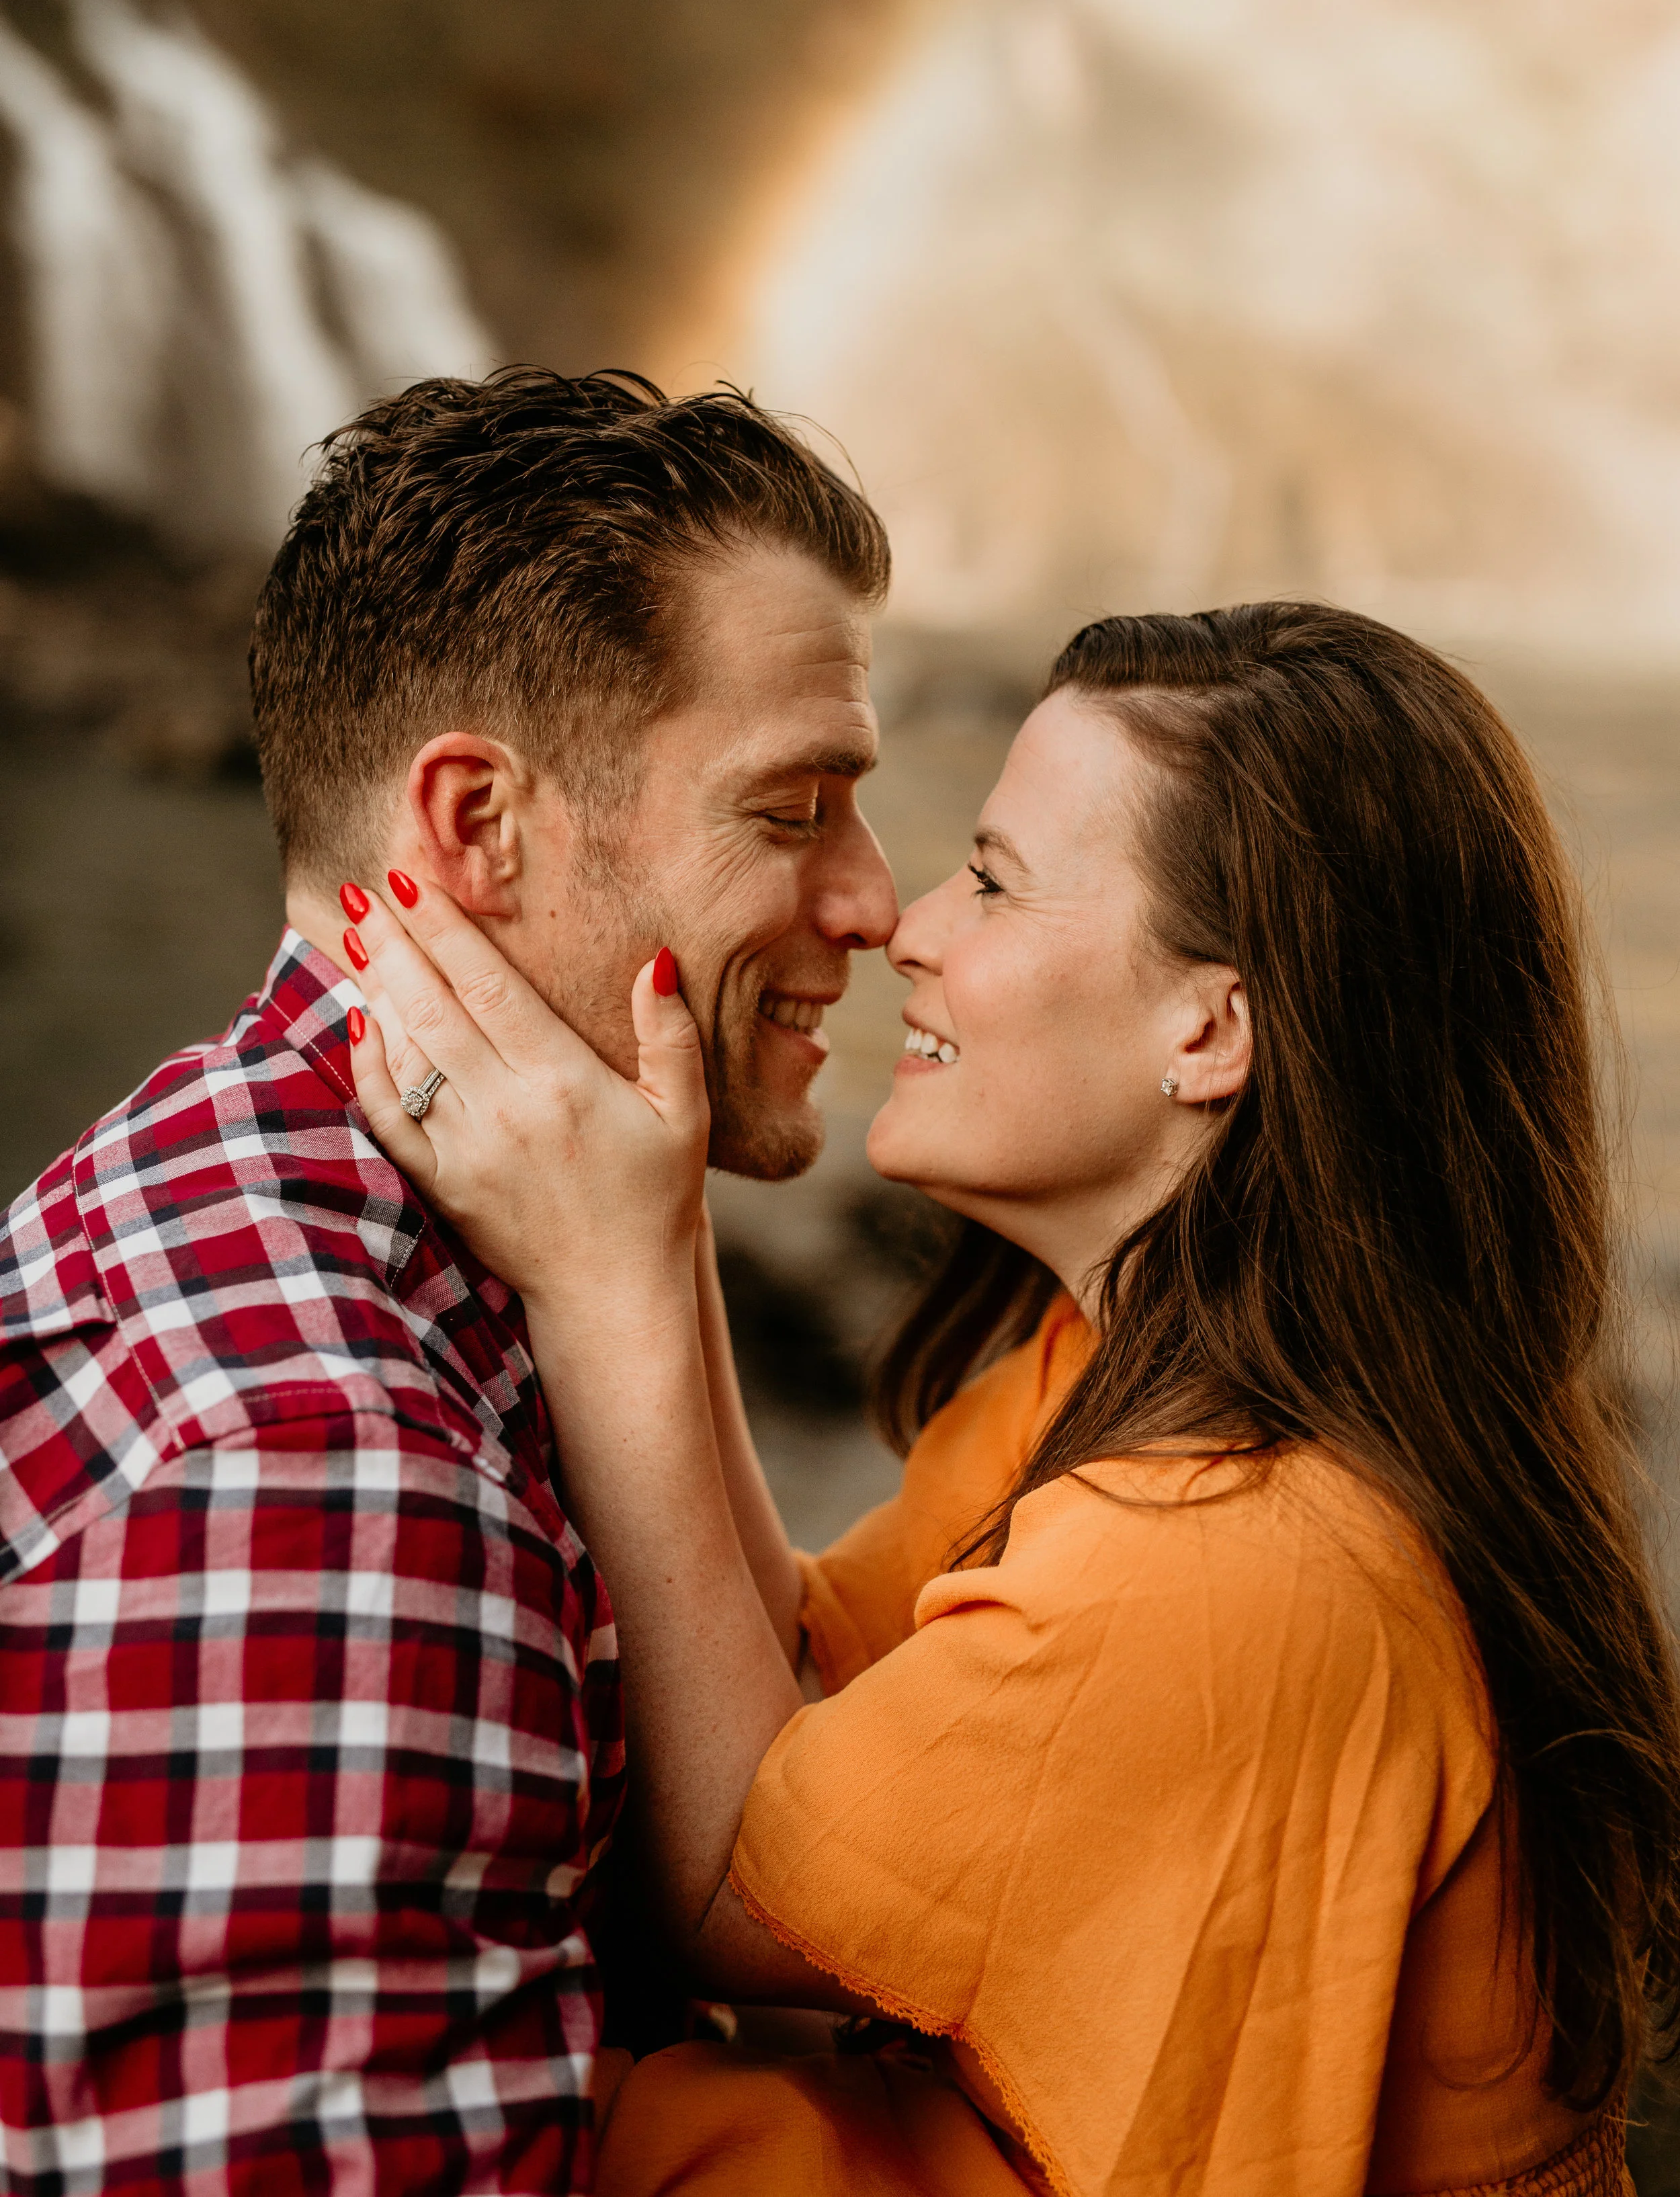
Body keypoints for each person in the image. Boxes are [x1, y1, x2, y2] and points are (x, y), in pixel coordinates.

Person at [346, 602, 1680, 2197]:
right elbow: (795, 1681)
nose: (906, 923)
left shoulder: (1219, 1559)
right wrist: (661, 1188)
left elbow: (719, 1889)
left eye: (990, 878)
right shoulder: (1110, 1376)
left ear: (1209, 1028)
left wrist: (601, 1281)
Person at [0, 367, 898, 2194]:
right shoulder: (327, 1470)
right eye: (795, 804)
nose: (878, 899)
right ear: (479, 824)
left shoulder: (326, 1197)